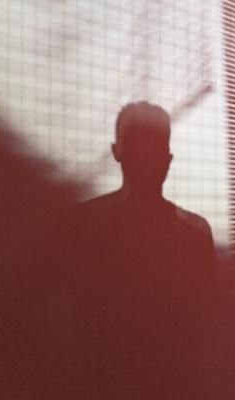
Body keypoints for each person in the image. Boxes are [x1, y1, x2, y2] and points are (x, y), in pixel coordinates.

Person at [52, 101, 218, 399]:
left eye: (152, 149)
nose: (147, 160)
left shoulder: (84, 223)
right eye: (142, 148)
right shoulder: (194, 233)